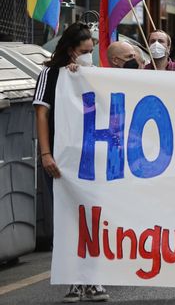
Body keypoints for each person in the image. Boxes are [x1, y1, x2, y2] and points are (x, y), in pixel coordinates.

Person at [33, 23, 110, 303]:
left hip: (90, 160)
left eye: (91, 51)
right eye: (83, 52)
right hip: (60, 161)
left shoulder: (94, 74)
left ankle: (94, 280)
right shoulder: (50, 75)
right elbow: (41, 114)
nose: (88, 56)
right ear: (69, 51)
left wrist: (84, 78)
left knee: (94, 218)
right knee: (67, 220)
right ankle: (74, 282)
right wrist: (45, 153)